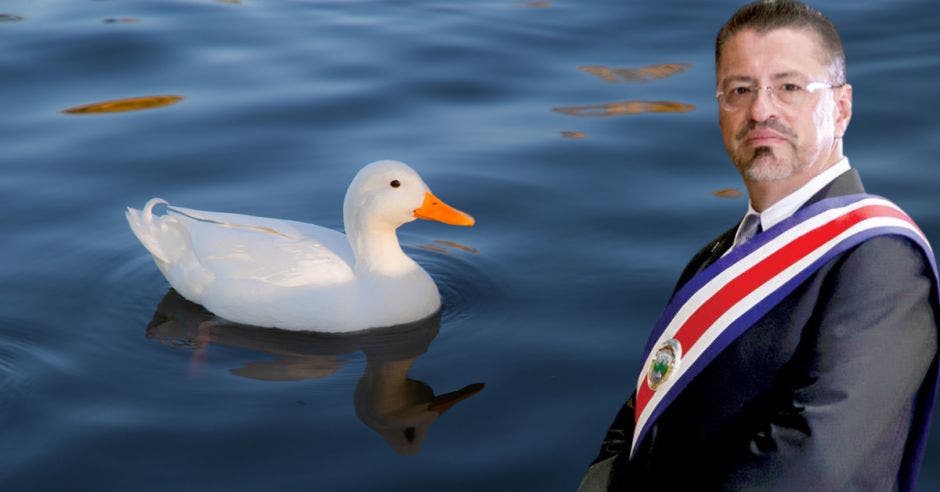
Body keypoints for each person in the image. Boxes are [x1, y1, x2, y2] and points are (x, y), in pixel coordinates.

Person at [579, 1, 939, 490]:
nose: (761, 109)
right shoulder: (715, 257)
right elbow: (644, 412)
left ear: (842, 107)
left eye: (789, 87)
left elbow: (814, 466)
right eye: (739, 90)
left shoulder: (881, 262)